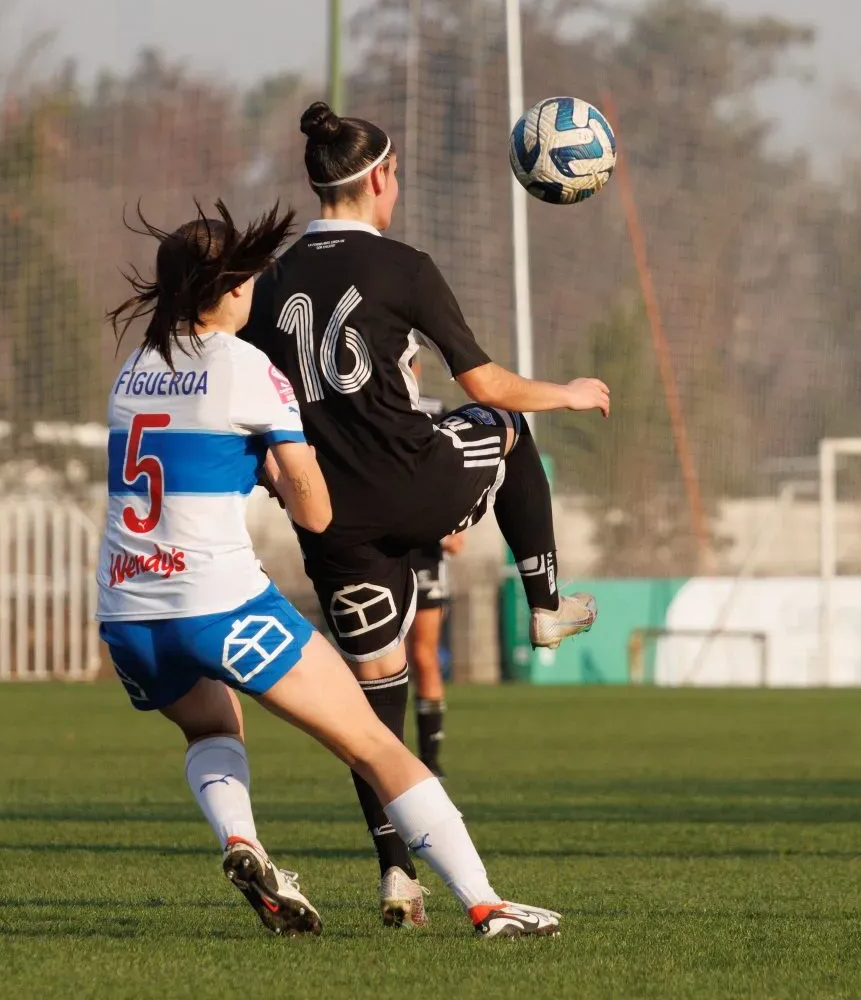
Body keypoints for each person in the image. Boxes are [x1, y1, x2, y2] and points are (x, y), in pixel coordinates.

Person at [94, 199, 563, 940]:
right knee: (375, 744)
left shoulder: (134, 370)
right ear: (227, 291)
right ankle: (486, 903)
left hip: (126, 610)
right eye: (246, 279)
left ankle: (243, 844)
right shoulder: (250, 369)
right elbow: (313, 513)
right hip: (217, 603)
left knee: (212, 726)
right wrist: (295, 476)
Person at [242, 102, 609, 927]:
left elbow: (257, 410)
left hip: (331, 520)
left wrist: (271, 476)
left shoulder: (266, 285)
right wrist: (568, 395)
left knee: (371, 707)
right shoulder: (405, 266)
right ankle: (545, 608)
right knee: (509, 431)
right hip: (413, 479)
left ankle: (397, 880)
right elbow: (485, 388)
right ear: (379, 178)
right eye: (396, 173)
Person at [405, 359, 463, 779]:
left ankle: (431, 761)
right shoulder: (361, 405)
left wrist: (453, 524)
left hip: (424, 551)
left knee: (423, 654)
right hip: (375, 546)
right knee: (377, 662)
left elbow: (453, 476)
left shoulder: (436, 411)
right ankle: (381, 757)